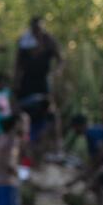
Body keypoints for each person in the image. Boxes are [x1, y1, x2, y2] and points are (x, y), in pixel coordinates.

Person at [13, 16, 63, 156]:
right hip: (27, 82)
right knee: (23, 111)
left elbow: (60, 60)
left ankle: (57, 145)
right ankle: (23, 144)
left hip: (43, 81)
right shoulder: (25, 41)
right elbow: (18, 65)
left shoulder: (50, 41)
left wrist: (56, 72)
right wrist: (15, 82)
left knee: (51, 111)